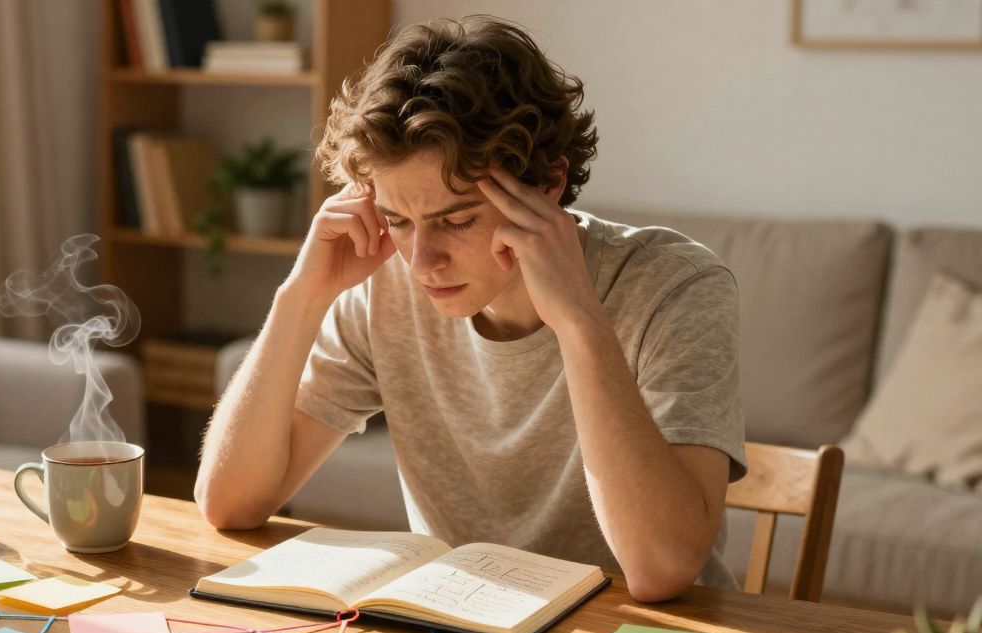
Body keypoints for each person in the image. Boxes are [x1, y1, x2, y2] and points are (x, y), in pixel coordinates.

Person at [194, 15, 748, 602]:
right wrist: (301, 296)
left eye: (456, 220)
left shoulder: (674, 286)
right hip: (460, 624)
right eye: (398, 220)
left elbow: (662, 570)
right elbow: (229, 503)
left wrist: (578, 320)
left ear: (548, 183)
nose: (422, 261)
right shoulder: (386, 285)